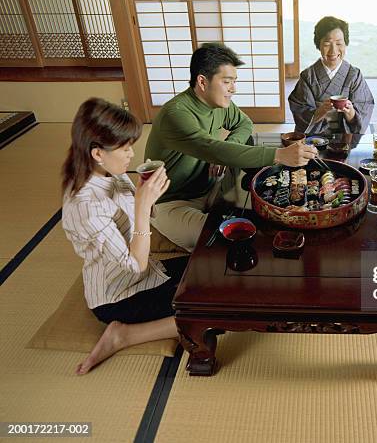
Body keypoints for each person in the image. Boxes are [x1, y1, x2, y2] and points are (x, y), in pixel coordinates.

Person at [145, 42, 318, 252]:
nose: (233, 89)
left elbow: (244, 124)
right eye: (227, 82)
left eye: (234, 81)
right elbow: (211, 148)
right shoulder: (176, 114)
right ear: (202, 81)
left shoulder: (217, 103)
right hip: (173, 203)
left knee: (264, 211)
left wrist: (226, 147)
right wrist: (279, 154)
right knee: (225, 239)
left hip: (211, 187)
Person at [62, 98, 188, 375]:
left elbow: (136, 219)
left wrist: (147, 195)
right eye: (125, 147)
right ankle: (123, 335)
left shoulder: (109, 171)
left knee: (208, 269)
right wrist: (142, 206)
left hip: (149, 272)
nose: (131, 154)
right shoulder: (86, 206)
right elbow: (135, 264)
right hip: (118, 296)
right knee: (210, 312)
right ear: (97, 152)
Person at [288, 16, 374, 135]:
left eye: (339, 43)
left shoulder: (354, 75)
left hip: (346, 140)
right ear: (319, 45)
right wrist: (319, 112)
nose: (333, 50)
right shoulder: (308, 76)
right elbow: (300, 111)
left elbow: (364, 107)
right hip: (315, 140)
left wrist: (351, 114)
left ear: (345, 44)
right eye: (327, 43)